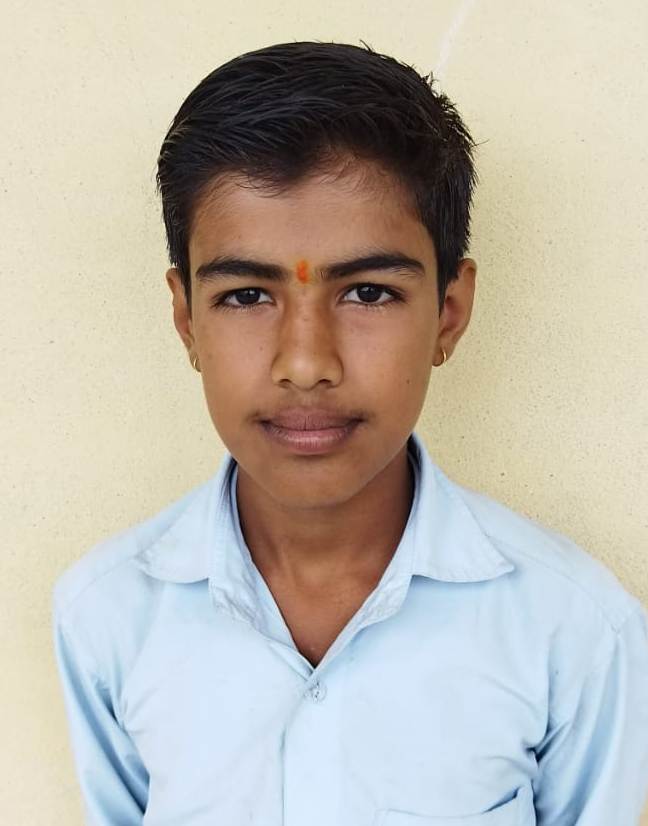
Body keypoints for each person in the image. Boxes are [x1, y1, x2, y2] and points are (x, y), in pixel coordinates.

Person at [52, 40, 648, 825]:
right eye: (245, 296)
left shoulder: (575, 629)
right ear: (185, 317)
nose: (305, 364)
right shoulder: (107, 616)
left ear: (449, 313)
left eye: (367, 292)